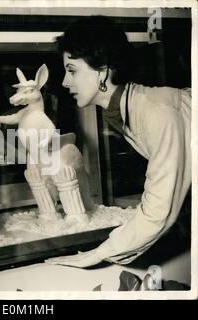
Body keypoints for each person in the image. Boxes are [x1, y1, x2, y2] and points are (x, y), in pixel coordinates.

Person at [46, 16, 191, 267]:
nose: (64, 82)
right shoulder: (124, 109)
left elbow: (159, 210)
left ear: (103, 69)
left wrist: (98, 253)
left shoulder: (157, 112)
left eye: (72, 71)